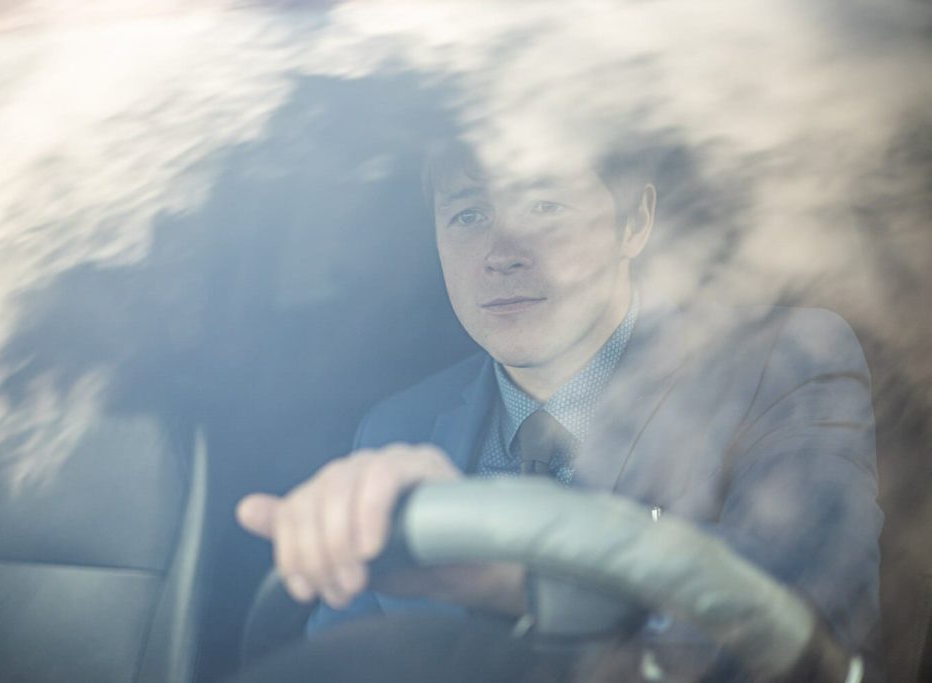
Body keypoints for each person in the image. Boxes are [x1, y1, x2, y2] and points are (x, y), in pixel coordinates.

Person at [236, 136, 883, 678]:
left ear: (636, 223)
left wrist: (520, 579)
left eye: (544, 205)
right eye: (468, 215)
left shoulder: (780, 363)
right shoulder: (396, 429)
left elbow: (811, 626)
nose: (502, 254)